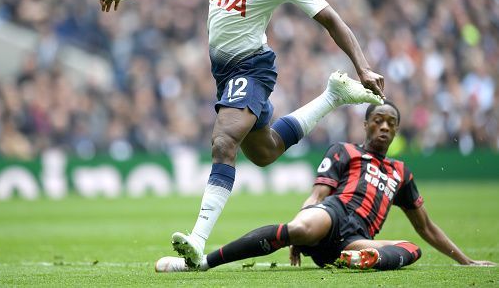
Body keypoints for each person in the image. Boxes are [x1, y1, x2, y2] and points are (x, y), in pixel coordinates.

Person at [100, 0, 385, 268]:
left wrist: (362, 66)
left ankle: (197, 240)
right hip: (224, 72)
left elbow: (331, 18)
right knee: (263, 152)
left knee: (223, 141)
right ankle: (332, 97)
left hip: (251, 68)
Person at [155, 100, 496, 272]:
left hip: (357, 237)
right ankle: (201, 263)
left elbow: (427, 228)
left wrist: (465, 262)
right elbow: (318, 195)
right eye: (377, 120)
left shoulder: (401, 173)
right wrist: (298, 226)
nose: (383, 127)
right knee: (301, 227)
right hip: (333, 215)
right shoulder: (344, 151)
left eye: (390, 123)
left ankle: (360, 260)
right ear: (366, 124)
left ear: (396, 132)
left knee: (411, 248)